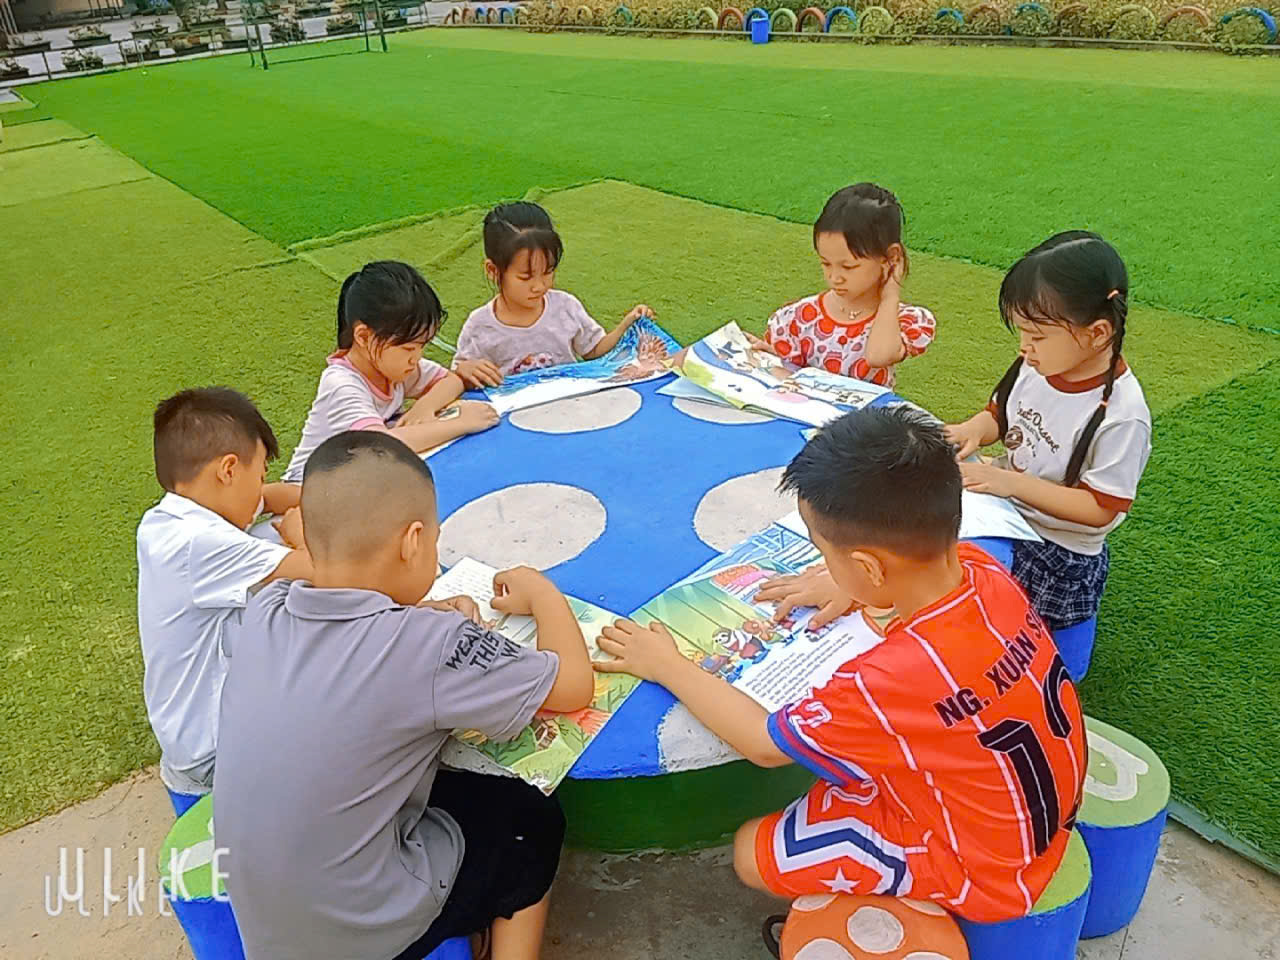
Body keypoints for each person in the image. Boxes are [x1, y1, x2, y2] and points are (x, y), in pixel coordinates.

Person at [595, 407, 1086, 923]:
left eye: (824, 553)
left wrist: (667, 665)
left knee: (751, 850)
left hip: (985, 872)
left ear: (869, 566)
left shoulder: (882, 682)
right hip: (1037, 812)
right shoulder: (988, 575)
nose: (824, 566)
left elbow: (763, 744)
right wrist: (857, 587)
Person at [214, 430, 594, 960]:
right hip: (361, 931)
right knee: (530, 820)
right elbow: (573, 686)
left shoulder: (268, 609)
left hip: (265, 922)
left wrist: (415, 619)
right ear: (413, 542)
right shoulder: (430, 645)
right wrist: (542, 592)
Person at [944, 231, 1151, 631]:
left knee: (1001, 623)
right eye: (1022, 332)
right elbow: (1000, 416)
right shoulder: (1040, 364)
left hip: (1058, 553)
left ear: (1098, 333)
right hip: (1005, 512)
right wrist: (971, 430)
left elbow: (1099, 509)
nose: (1024, 347)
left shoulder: (1124, 416)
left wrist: (1010, 483)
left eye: (1037, 335)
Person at [136, 387, 312, 809]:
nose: (262, 487)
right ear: (229, 469)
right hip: (217, 752)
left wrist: (315, 498)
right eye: (260, 473)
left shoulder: (170, 519)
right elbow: (325, 571)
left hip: (188, 738)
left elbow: (269, 498)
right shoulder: (199, 542)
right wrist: (298, 532)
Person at [283, 260, 497, 482]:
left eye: (422, 346)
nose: (416, 357)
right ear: (364, 337)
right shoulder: (342, 385)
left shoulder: (394, 367)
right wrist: (460, 424)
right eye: (409, 348)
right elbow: (381, 446)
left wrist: (425, 407)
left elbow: (452, 381)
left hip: (355, 477)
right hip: (308, 487)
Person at [451, 202, 654, 384]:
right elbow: (458, 379)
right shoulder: (480, 326)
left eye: (548, 272)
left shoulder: (565, 307)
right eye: (525, 277)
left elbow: (594, 350)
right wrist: (464, 371)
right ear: (493, 271)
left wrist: (626, 325)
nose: (539, 286)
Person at [759, 183, 936, 389]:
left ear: (890, 257)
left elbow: (878, 356)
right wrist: (767, 358)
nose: (835, 278)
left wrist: (890, 296)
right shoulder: (799, 317)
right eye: (826, 263)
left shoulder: (902, 320)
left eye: (848, 267)